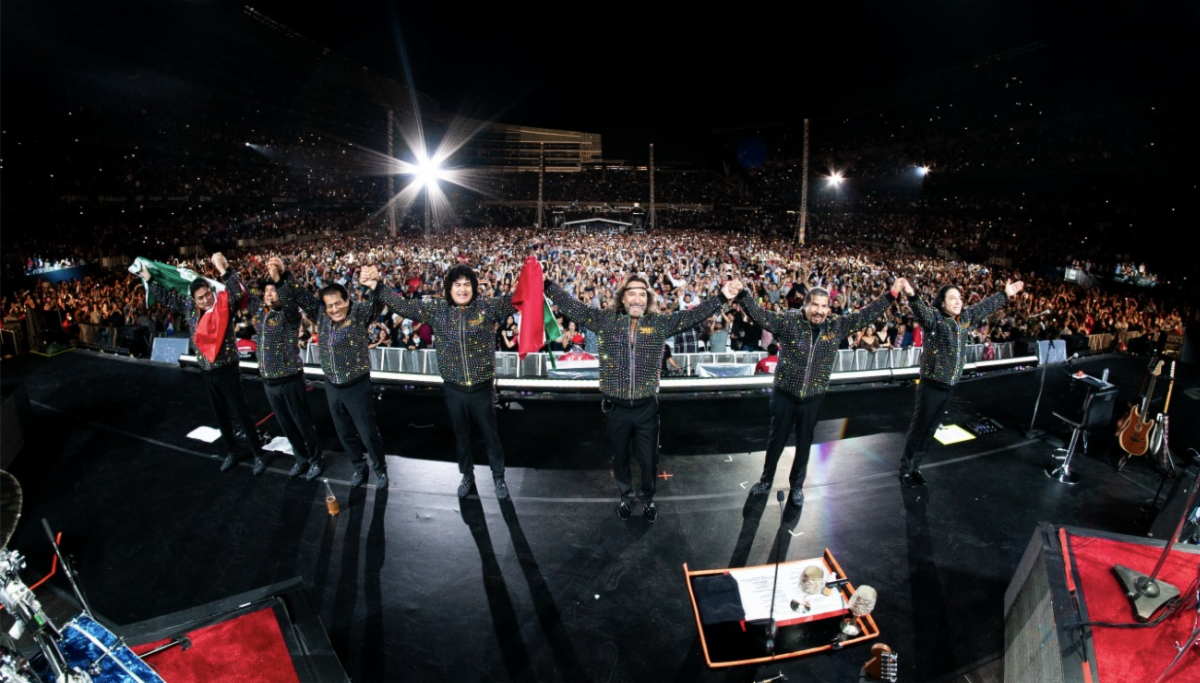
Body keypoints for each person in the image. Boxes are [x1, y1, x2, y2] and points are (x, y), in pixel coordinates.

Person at [546, 274, 743, 522]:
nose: (637, 299)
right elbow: (574, 307)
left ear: (648, 299)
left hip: (647, 409)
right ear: (622, 298)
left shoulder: (658, 324)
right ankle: (625, 497)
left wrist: (722, 297)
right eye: (632, 293)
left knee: (649, 462)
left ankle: (648, 499)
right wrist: (546, 285)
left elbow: (692, 316)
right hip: (615, 409)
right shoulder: (605, 321)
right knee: (620, 459)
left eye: (642, 294)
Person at [738, 278, 906, 505]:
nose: (819, 311)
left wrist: (892, 294)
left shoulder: (837, 325)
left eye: (824, 306)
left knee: (804, 443)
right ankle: (766, 480)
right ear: (805, 305)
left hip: (813, 398)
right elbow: (760, 316)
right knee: (776, 441)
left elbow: (865, 315)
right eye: (815, 305)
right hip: (784, 395)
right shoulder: (789, 320)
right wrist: (742, 294)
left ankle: (797, 486)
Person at [367, 263, 517, 501]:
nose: (462, 289)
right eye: (457, 285)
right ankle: (467, 476)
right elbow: (404, 306)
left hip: (482, 389)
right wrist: (377, 286)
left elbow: (518, 300)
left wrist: (537, 280)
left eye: (467, 284)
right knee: (461, 435)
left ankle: (498, 478)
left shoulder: (486, 307)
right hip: (453, 389)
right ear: (449, 288)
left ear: (474, 287)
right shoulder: (437, 310)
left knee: (491, 436)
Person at [138, 253, 267, 474]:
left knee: (240, 412)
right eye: (201, 298)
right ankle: (233, 450)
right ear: (194, 299)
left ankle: (258, 454)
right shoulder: (189, 307)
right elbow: (168, 299)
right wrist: (149, 279)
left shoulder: (224, 305)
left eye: (208, 294)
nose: (206, 299)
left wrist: (224, 270)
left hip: (228, 369)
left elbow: (239, 294)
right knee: (220, 414)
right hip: (207, 371)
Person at [898, 278, 1024, 487]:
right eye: (952, 298)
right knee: (920, 428)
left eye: (959, 298)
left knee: (931, 430)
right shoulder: (935, 320)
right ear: (942, 303)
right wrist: (911, 294)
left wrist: (1005, 294)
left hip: (949, 386)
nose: (958, 302)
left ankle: (916, 467)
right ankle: (905, 471)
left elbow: (983, 307)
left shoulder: (964, 319)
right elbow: (921, 311)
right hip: (931, 386)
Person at [292, 265, 390, 489]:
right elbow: (300, 294)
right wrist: (284, 276)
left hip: (357, 386)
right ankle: (359, 467)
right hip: (332, 386)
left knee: (368, 433)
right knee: (344, 432)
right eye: (330, 305)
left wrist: (376, 284)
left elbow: (378, 303)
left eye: (338, 303)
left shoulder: (359, 314)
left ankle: (380, 470)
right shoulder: (321, 316)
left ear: (347, 300)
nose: (335, 309)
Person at [250, 256, 323, 480]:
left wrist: (280, 279)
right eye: (266, 291)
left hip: (290, 379)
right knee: (286, 425)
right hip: (269, 382)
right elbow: (249, 297)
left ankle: (315, 460)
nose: (269, 294)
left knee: (302, 423)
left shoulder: (290, 314)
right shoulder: (261, 316)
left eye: (273, 291)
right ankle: (301, 459)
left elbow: (290, 301)